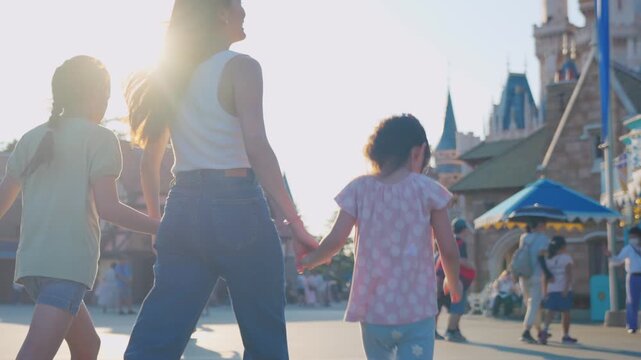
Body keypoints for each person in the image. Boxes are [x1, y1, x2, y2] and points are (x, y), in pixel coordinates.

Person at [123, 1, 319, 358]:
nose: (245, 13)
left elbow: (149, 163)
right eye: (239, 5)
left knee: (157, 338)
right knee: (264, 337)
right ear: (220, 13)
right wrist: (296, 222)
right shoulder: (241, 67)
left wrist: (158, 223)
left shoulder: (172, 77)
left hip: (182, 206)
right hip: (238, 205)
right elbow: (257, 147)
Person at [0, 55, 160, 360]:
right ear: (94, 95)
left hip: (33, 265)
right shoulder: (100, 139)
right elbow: (110, 208)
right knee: (36, 351)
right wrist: (161, 226)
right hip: (68, 265)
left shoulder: (31, 139)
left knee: (88, 346)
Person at [302, 114, 462, 360]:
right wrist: (453, 282)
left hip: (373, 312)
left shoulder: (358, 189)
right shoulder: (429, 191)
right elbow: (448, 250)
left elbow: (334, 242)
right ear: (418, 152)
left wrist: (309, 260)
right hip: (417, 311)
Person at [435, 218, 476, 342]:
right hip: (456, 279)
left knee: (439, 305)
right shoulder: (460, 243)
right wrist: (472, 266)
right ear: (463, 230)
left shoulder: (447, 241)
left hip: (441, 277)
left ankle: (436, 331)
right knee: (457, 306)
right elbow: (461, 260)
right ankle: (452, 331)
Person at [518, 221, 554, 344]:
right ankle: (526, 331)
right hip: (536, 275)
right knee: (534, 303)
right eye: (544, 224)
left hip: (523, 274)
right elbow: (541, 257)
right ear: (539, 225)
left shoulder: (523, 237)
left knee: (532, 304)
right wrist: (548, 273)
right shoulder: (543, 239)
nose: (546, 226)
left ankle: (539, 330)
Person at [540, 236, 577, 345]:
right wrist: (566, 289)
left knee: (550, 313)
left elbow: (544, 277)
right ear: (563, 246)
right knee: (565, 313)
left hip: (551, 290)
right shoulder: (566, 258)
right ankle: (565, 335)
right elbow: (569, 275)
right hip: (563, 289)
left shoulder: (548, 259)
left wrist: (545, 291)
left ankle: (544, 331)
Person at [606, 226, 641, 334]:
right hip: (633, 277)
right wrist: (610, 256)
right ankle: (632, 325)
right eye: (631, 237)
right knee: (632, 302)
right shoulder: (628, 248)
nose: (632, 239)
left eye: (634, 236)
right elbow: (617, 260)